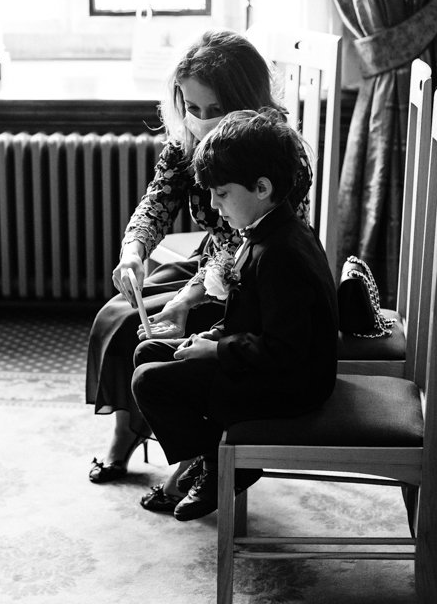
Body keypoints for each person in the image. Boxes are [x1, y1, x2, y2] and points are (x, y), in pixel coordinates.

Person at [85, 29, 313, 497]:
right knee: (118, 315)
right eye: (191, 107)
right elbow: (157, 201)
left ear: (245, 100)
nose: (202, 120)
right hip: (208, 260)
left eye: (215, 109)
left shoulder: (275, 149)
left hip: (254, 281)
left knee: (154, 330)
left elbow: (255, 246)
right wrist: (133, 251)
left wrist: (186, 300)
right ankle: (130, 429)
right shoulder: (187, 140)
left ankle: (198, 453)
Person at [131, 108, 339, 520]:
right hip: (265, 362)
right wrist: (211, 336)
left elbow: (285, 350)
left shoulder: (282, 253)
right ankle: (213, 455)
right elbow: (251, 315)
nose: (213, 205)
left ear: (261, 188)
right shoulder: (265, 230)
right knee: (148, 352)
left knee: (150, 381)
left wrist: (216, 351)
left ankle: (222, 462)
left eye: (222, 194)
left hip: (292, 384)